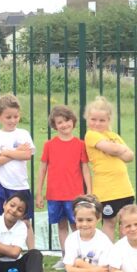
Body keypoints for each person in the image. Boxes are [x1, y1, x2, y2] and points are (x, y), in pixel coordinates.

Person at [36, 104, 92, 254]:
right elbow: (42, 170)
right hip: (55, 194)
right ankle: (65, 256)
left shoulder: (80, 145)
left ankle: (79, 255)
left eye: (67, 120)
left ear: (73, 121)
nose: (64, 124)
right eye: (60, 122)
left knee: (77, 226)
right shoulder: (49, 145)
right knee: (61, 226)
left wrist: (89, 191)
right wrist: (39, 193)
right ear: (54, 125)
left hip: (75, 195)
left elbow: (85, 169)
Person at [41, 194, 110, 272]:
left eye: (89, 220)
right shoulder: (71, 239)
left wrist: (79, 263)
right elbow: (70, 271)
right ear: (75, 219)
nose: (84, 224)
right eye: (80, 220)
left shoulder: (103, 240)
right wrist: (93, 269)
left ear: (98, 219)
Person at [0, 93, 36, 249]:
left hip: (20, 185)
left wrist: (7, 152)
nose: (12, 120)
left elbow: (27, 155)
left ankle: (32, 252)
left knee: (26, 221)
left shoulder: (23, 134)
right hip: (0, 184)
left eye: (16, 117)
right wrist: (17, 152)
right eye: (8, 117)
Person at [84, 96, 135, 239]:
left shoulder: (113, 135)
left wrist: (117, 149)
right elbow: (113, 149)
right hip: (107, 189)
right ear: (87, 118)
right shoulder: (91, 135)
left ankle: (125, 250)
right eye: (93, 119)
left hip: (124, 187)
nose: (97, 123)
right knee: (110, 222)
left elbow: (130, 156)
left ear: (109, 120)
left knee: (126, 222)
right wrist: (120, 149)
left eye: (102, 120)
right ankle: (108, 251)